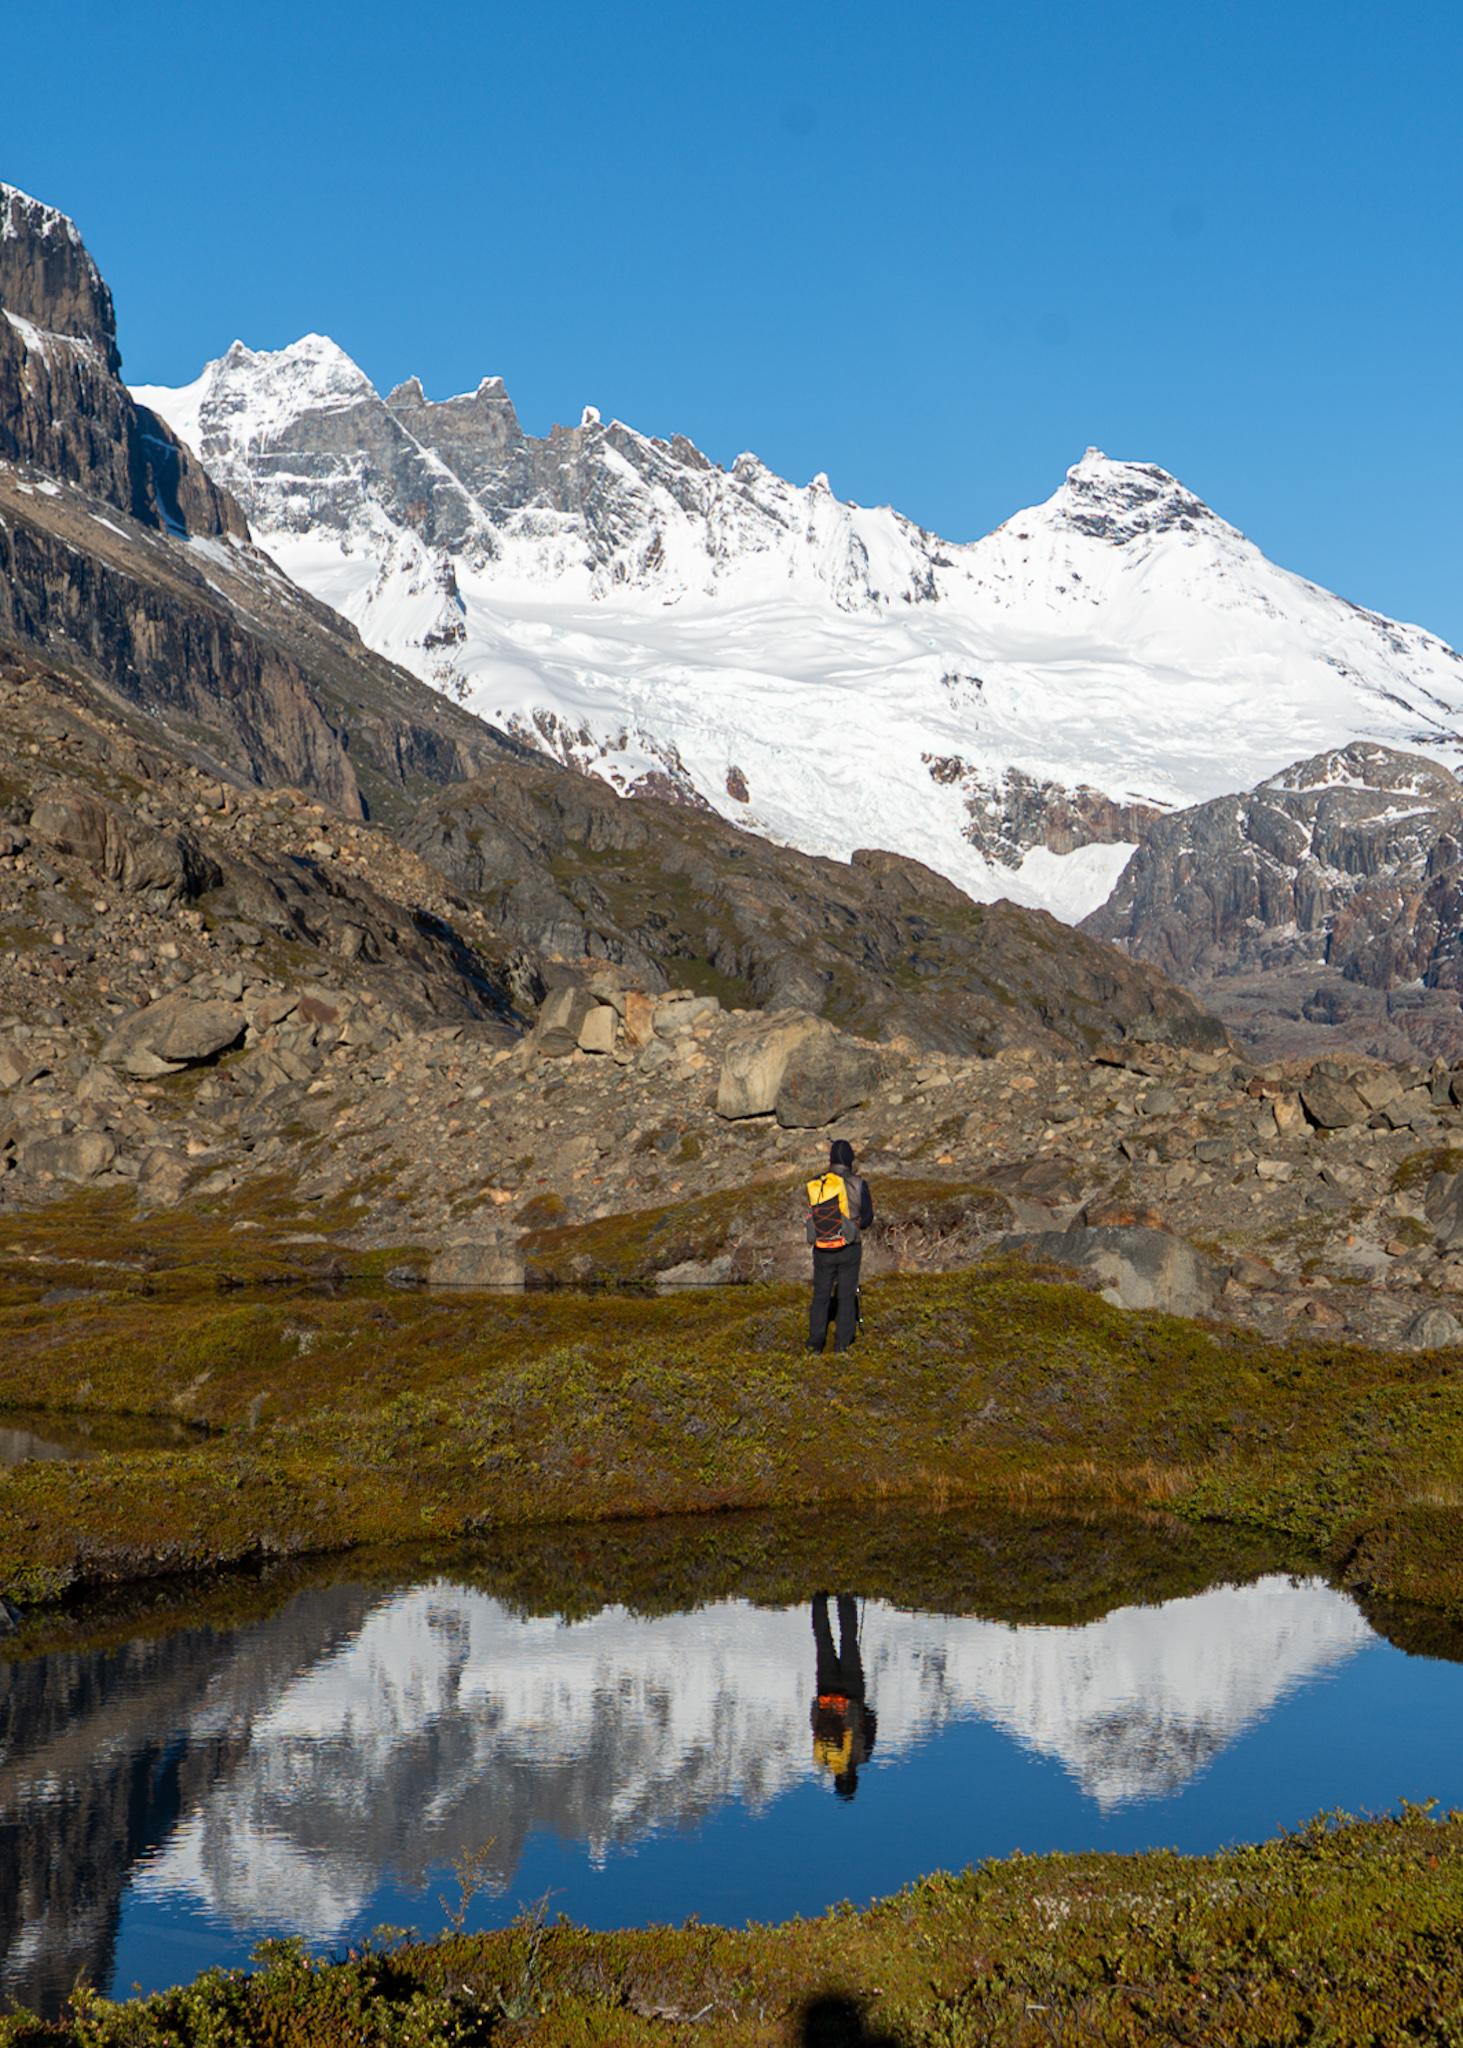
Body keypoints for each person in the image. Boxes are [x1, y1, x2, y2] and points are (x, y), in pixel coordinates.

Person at [805, 1137, 874, 1353]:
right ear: (850, 1160)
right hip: (850, 1247)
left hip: (822, 1248)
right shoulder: (858, 1183)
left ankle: (815, 1344)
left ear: (831, 1159)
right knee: (845, 1296)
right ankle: (842, 1345)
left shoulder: (817, 1183)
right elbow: (868, 1218)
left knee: (820, 1296)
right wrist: (853, 1225)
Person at [809, 1592, 877, 1800]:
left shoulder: (862, 1756)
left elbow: (871, 1720)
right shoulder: (825, 1759)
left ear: (854, 1778)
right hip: (826, 1692)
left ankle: (845, 1595)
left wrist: (862, 1709)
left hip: (852, 1693)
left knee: (848, 1640)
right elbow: (815, 1725)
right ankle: (818, 1597)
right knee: (823, 1641)